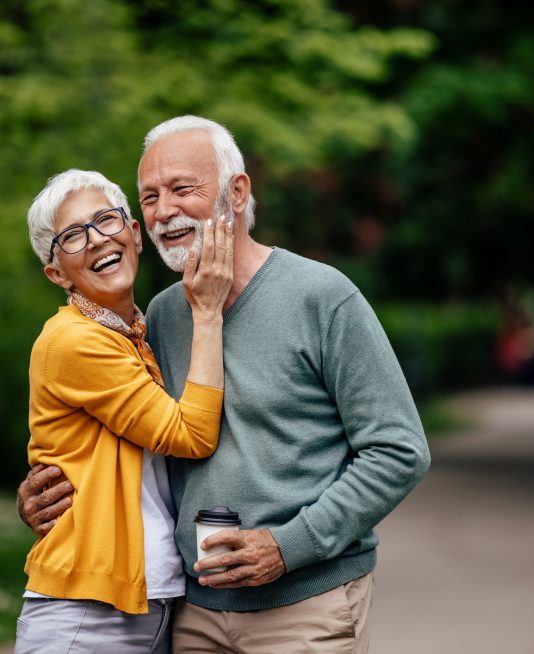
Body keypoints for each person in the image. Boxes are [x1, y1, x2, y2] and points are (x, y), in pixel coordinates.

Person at [19, 116, 431, 653]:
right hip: (192, 613)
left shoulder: (322, 297)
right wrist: (56, 492)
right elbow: (129, 440)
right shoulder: (158, 318)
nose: (165, 210)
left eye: (182, 189)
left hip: (304, 605)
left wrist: (288, 546)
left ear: (237, 192)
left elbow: (399, 450)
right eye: (149, 197)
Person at [15, 169, 233, 653]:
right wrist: (209, 312)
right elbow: (192, 435)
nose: (96, 240)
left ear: (133, 234)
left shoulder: (140, 329)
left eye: (105, 221)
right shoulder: (76, 340)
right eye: (72, 236)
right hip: (86, 614)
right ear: (56, 273)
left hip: (149, 602)